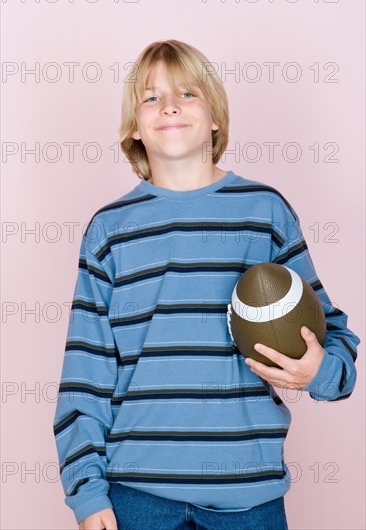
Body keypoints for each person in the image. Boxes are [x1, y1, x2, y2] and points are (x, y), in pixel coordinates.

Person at [53, 40, 360, 530]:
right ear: (134, 126)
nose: (169, 105)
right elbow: (85, 373)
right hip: (136, 496)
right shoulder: (109, 230)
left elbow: (335, 338)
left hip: (249, 495)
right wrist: (87, 495)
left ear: (216, 117)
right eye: (150, 97)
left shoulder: (265, 214)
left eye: (187, 93)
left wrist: (319, 371)